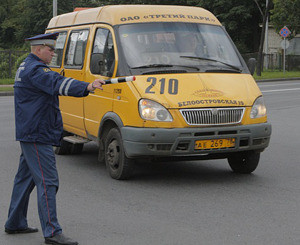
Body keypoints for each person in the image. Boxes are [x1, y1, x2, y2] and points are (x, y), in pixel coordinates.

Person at [4, 33, 105, 245]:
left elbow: (54, 81)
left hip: (31, 132)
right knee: (48, 182)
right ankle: (52, 232)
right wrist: (88, 86)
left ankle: (15, 222)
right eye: (50, 49)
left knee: (25, 179)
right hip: (37, 134)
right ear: (38, 49)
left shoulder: (24, 67)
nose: (53, 53)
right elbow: (58, 83)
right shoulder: (36, 71)